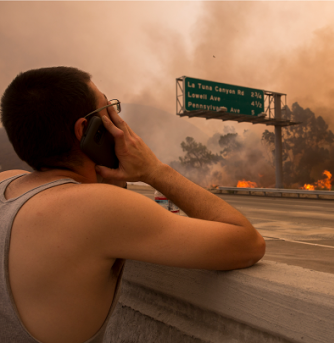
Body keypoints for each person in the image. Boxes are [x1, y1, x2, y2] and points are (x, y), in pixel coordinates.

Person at [0, 67, 265, 343]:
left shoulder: (5, 183)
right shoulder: (100, 209)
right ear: (86, 131)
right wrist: (154, 170)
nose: (118, 122)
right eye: (109, 111)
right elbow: (248, 243)